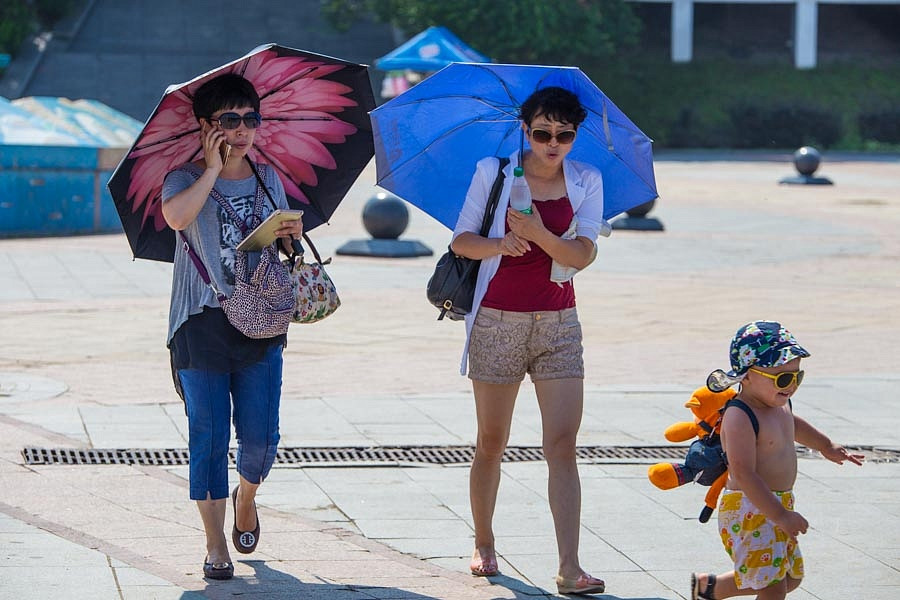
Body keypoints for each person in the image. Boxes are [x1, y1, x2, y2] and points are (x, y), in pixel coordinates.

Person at [450, 86, 608, 596]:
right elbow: (461, 240)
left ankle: (569, 567)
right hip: (497, 319)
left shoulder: (586, 179)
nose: (553, 143)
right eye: (543, 133)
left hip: (560, 323)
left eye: (564, 134)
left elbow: (583, 254)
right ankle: (484, 541)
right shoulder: (493, 173)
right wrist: (500, 242)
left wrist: (539, 233)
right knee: (491, 441)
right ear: (526, 128)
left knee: (563, 445)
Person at [161, 73, 303, 580]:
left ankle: (248, 494)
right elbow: (178, 218)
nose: (243, 130)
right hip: (200, 321)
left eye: (250, 119)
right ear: (206, 126)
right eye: (230, 120)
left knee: (262, 438)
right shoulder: (181, 178)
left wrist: (290, 238)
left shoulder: (270, 180)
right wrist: (212, 170)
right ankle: (215, 542)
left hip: (260, 322)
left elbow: (280, 254)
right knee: (208, 434)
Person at [692, 321, 864, 600]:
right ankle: (711, 588)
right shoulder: (739, 416)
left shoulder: (779, 403)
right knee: (773, 588)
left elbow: (795, 426)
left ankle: (709, 588)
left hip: (778, 501)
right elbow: (744, 473)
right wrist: (779, 515)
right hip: (749, 508)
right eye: (782, 378)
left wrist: (826, 445)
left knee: (790, 578)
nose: (791, 385)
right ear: (746, 376)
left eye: (797, 377)